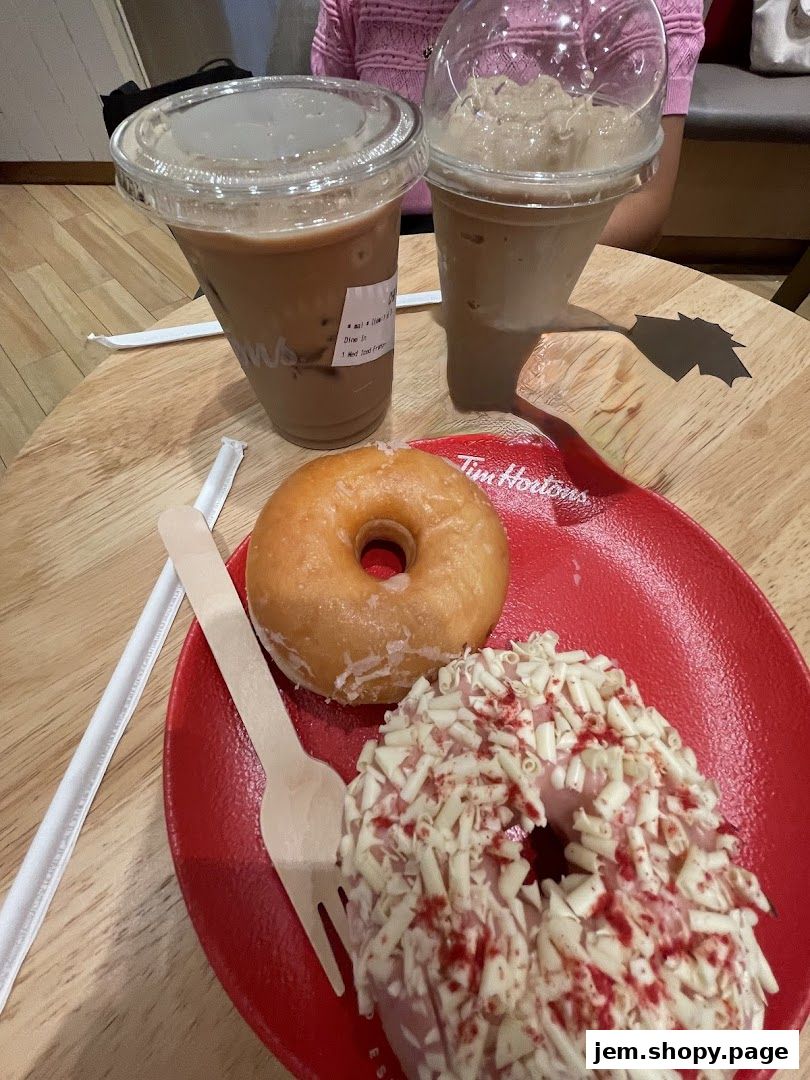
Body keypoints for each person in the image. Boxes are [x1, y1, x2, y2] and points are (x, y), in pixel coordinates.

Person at [311, 0, 705, 251]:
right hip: (383, 245)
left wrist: (493, 268)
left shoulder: (634, 10)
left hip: (553, 245)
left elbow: (644, 203)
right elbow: (332, 162)